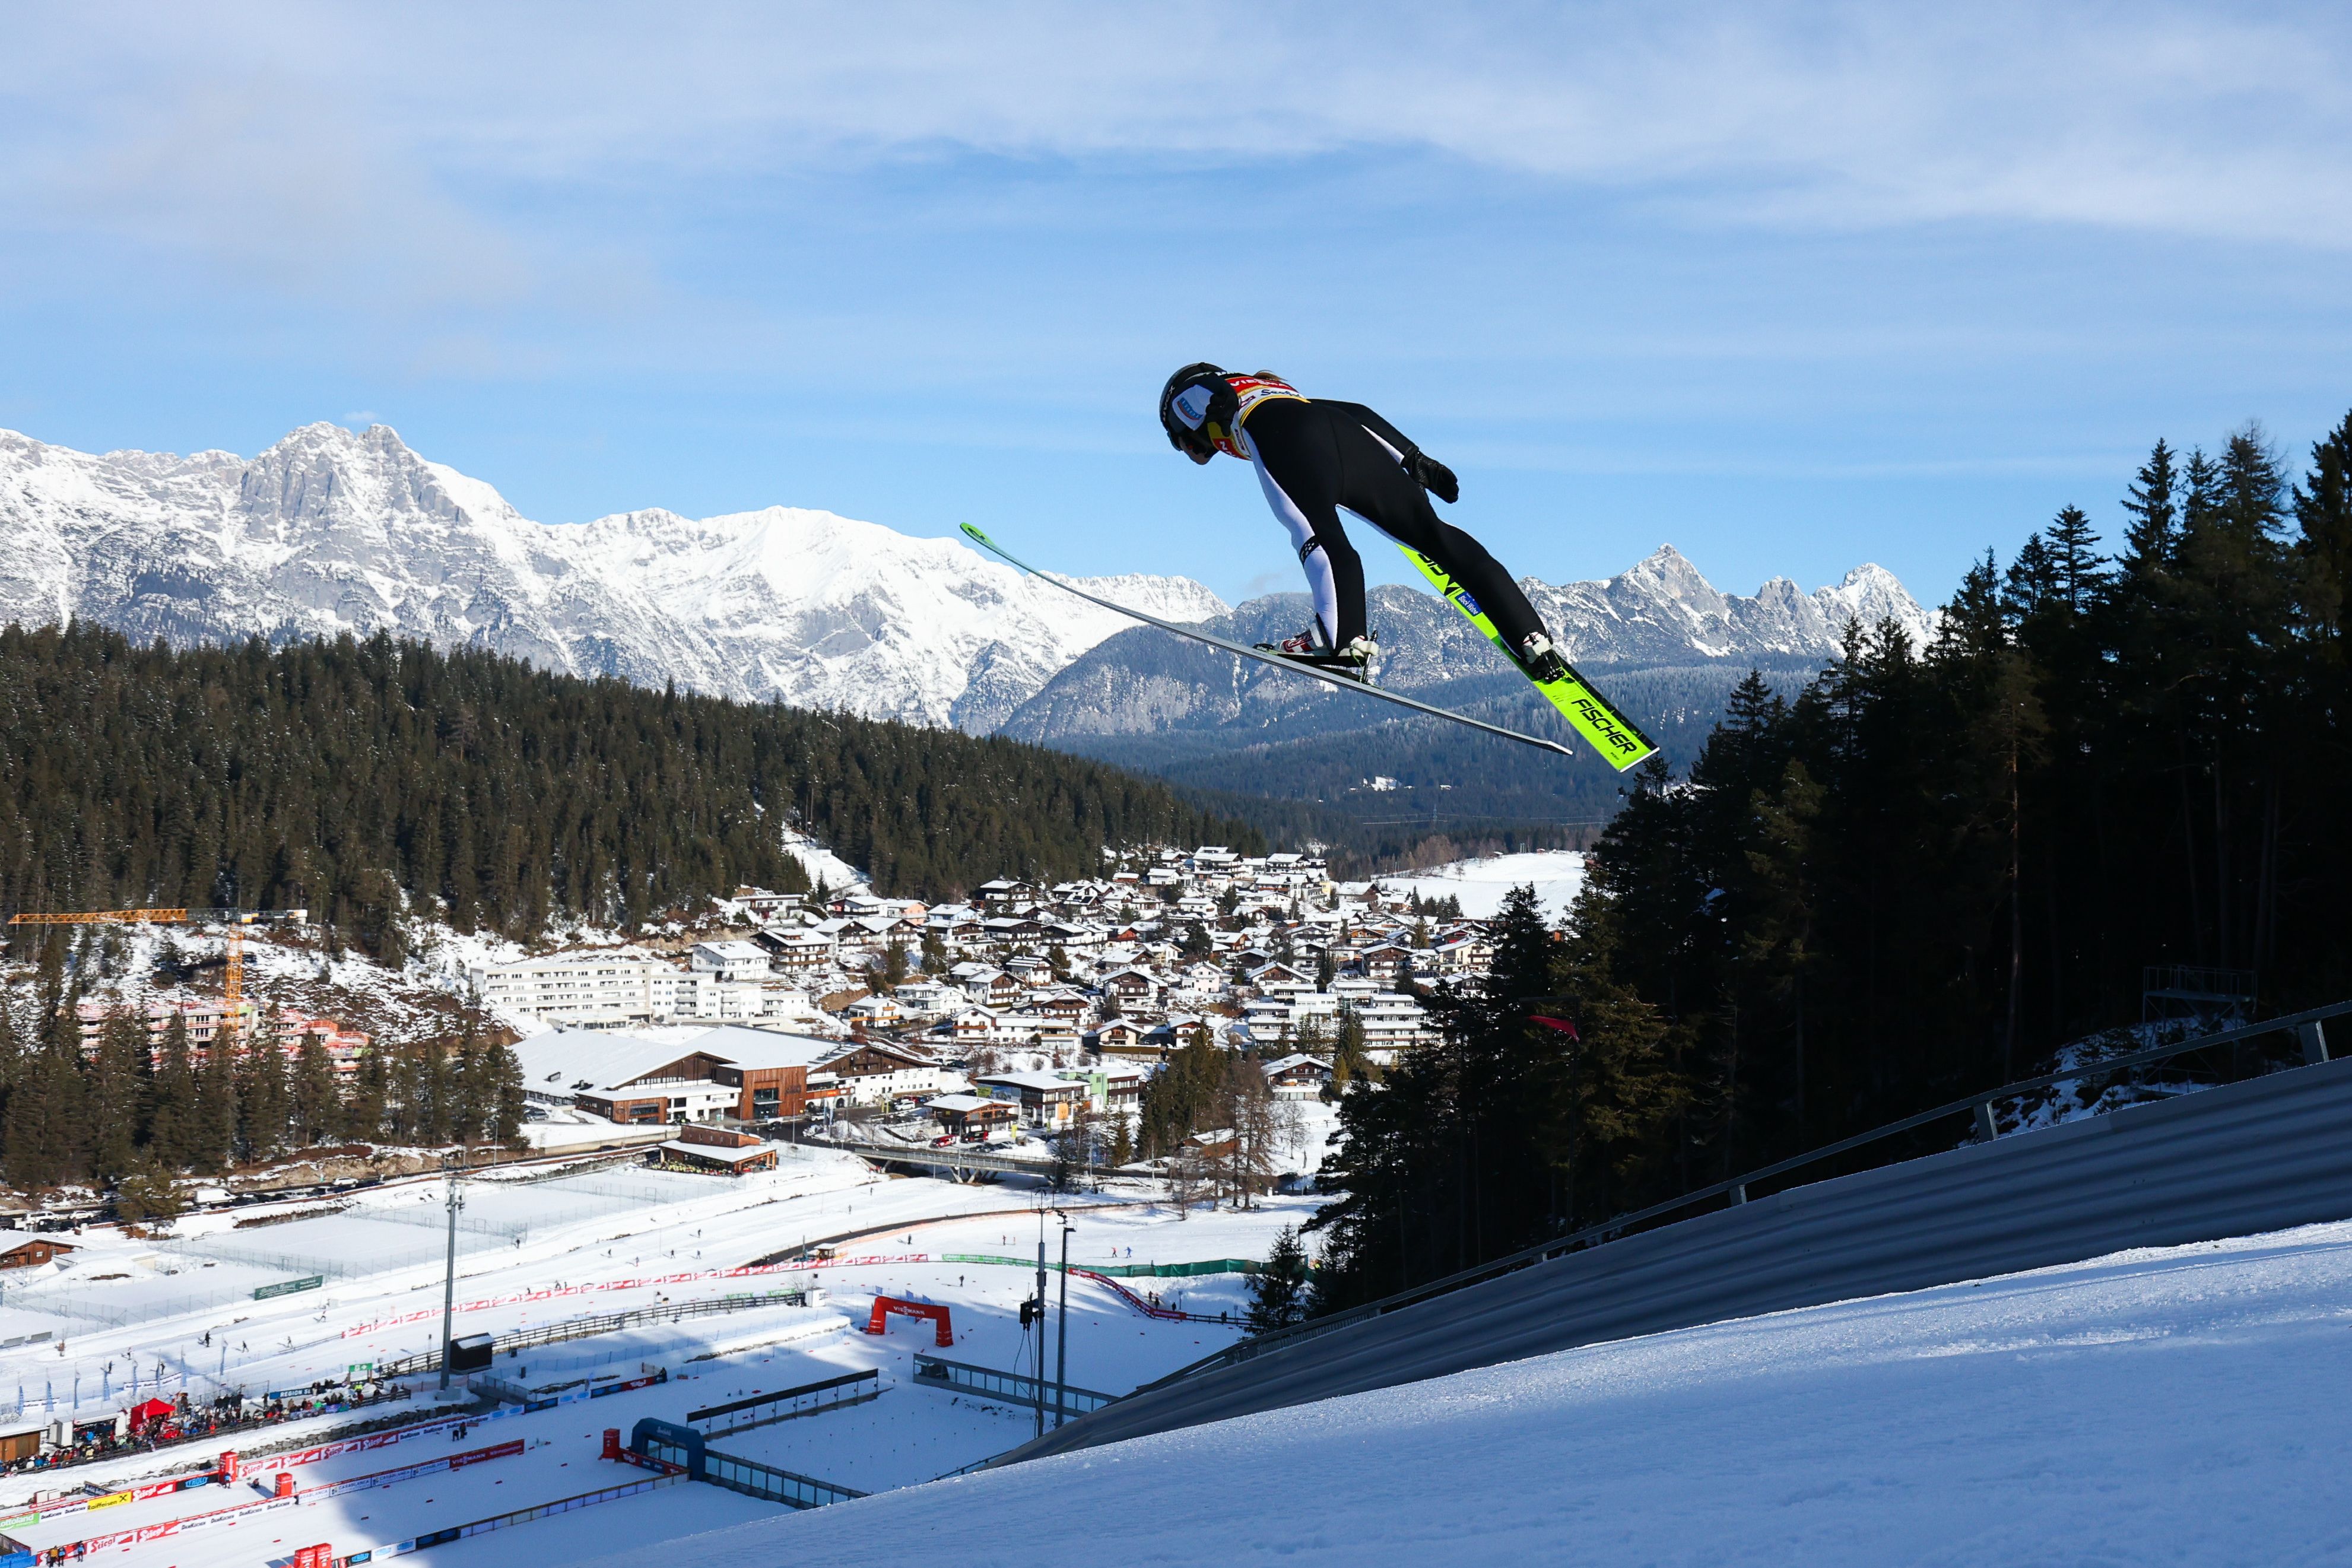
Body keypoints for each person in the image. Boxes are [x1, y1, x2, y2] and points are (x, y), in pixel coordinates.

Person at [1158, 363, 1572, 683]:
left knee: (1316, 531)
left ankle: (1342, 640)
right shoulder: (1280, 388)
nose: (1196, 452)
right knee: (1435, 534)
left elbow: (1209, 392)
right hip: (1346, 435)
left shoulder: (1200, 393)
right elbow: (1356, 411)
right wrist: (1412, 458)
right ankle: (1530, 636)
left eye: (1183, 442)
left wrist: (1209, 403)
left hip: (1281, 433)